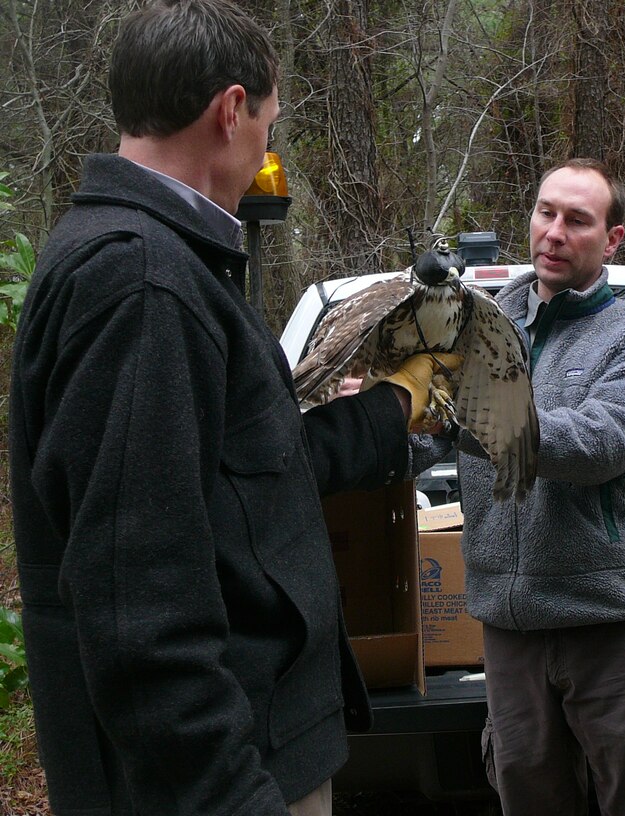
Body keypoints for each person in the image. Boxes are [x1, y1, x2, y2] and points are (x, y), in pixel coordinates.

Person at [7, 1, 450, 814]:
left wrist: (394, 405)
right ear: (232, 110)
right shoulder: (139, 285)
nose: (266, 152)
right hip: (224, 778)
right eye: (269, 126)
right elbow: (140, 618)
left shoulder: (166, 265)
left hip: (248, 753)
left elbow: (259, 472)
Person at [415, 158, 625, 814]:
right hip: (509, 624)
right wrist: (364, 421)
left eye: (577, 220)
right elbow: (423, 434)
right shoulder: (474, 326)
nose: (555, 232)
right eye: (545, 213)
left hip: (610, 621)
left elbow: (594, 444)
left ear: (612, 239)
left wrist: (460, 411)